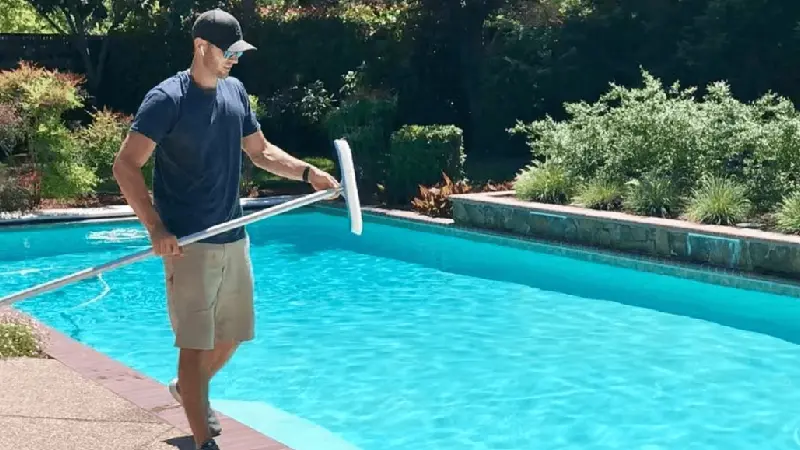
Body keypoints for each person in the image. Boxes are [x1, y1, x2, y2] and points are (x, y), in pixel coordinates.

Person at [112, 8, 340, 450]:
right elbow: (126, 165)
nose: (235, 58)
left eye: (239, 51)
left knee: (233, 336)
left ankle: (187, 390)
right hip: (188, 246)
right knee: (194, 349)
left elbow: (262, 151)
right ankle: (204, 441)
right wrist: (155, 227)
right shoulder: (167, 100)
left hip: (234, 236)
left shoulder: (235, 92)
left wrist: (309, 173)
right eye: (229, 50)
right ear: (201, 47)